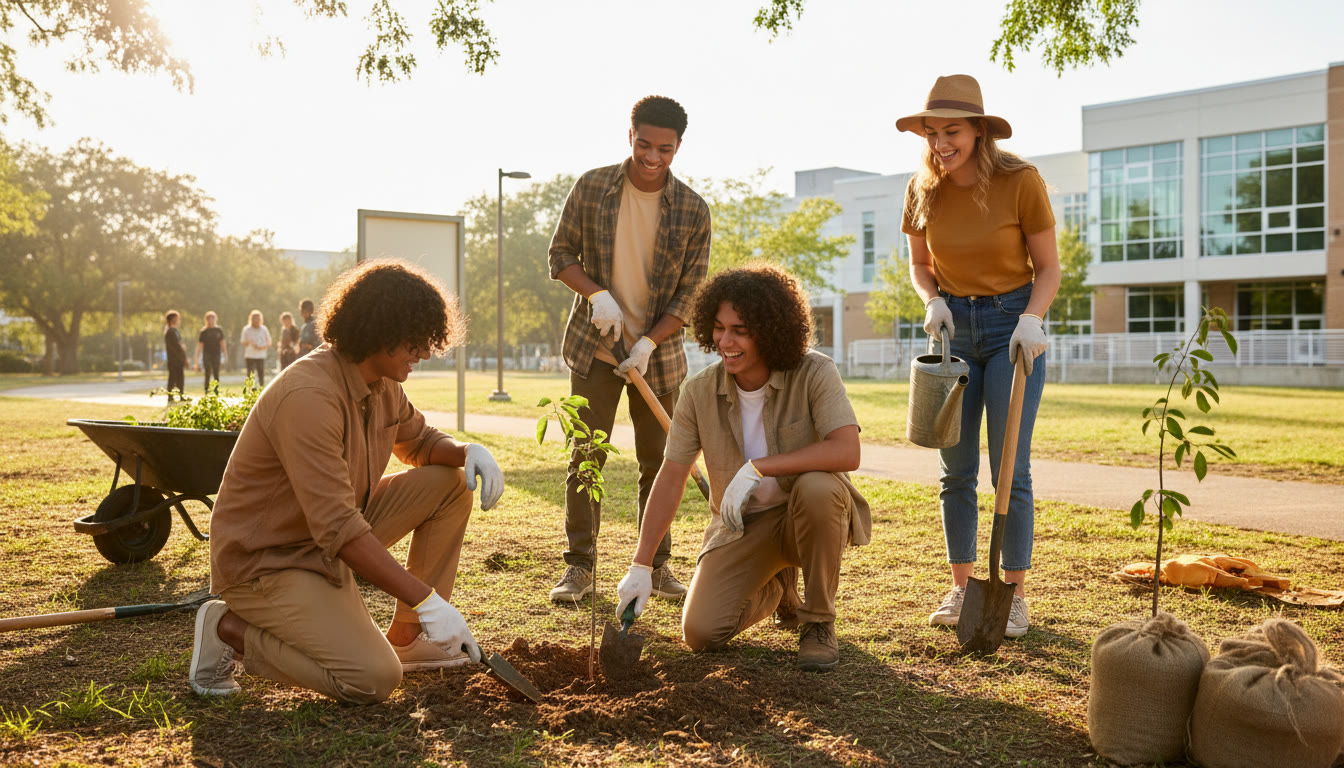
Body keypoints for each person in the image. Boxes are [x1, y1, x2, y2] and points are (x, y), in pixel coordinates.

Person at [189, 258, 506, 703]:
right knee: (372, 678)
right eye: (415, 340)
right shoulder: (309, 397)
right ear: (380, 331)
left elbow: (419, 441)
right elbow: (338, 526)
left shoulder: (382, 382)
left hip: (325, 539)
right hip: (270, 561)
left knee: (450, 483)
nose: (425, 352)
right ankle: (229, 630)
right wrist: (427, 599)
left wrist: (468, 451)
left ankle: (407, 638)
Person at [614, 265, 869, 671]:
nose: (724, 341)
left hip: (807, 516)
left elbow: (846, 451)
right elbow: (672, 474)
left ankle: (818, 622)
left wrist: (759, 468)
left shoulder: (814, 371)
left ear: (771, 329)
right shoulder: (698, 392)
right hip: (742, 527)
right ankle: (778, 586)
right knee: (700, 633)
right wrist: (641, 564)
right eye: (718, 328)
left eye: (740, 330)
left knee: (819, 488)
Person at [896, 74, 1059, 637]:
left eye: (953, 131)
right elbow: (920, 265)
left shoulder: (1020, 181)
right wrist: (933, 299)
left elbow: (1049, 268)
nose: (941, 143)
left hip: (1014, 325)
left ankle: (1012, 594)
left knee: (1009, 467)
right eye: (932, 132)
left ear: (979, 132)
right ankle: (963, 588)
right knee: (955, 468)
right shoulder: (922, 189)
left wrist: (1032, 318)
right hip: (954, 333)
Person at [546, 95, 711, 603]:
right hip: (594, 349)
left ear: (679, 146)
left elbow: (691, 292)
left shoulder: (692, 209)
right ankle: (579, 567)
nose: (653, 157)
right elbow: (559, 255)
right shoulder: (592, 187)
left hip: (656, 359)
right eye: (644, 144)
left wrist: (647, 342)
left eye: (665, 148)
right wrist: (596, 294)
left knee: (660, 462)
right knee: (586, 456)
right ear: (630, 136)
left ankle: (657, 565)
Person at [195, 311, 227, 394]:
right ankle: (206, 390)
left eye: (213, 319)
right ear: (206, 320)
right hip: (207, 354)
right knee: (207, 372)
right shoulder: (203, 332)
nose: (211, 321)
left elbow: (222, 343)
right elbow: (200, 346)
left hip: (216, 354)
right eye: (209, 319)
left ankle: (216, 390)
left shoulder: (219, 330)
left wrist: (224, 354)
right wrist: (197, 361)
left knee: (216, 373)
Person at [240, 310, 272, 387]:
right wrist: (249, 342)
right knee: (250, 374)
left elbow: (269, 342)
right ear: (251, 319)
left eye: (258, 318)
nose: (257, 320)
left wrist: (262, 347)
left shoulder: (264, 329)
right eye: (255, 318)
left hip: (261, 355)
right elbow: (242, 341)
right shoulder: (247, 329)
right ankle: (251, 390)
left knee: (261, 373)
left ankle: (261, 388)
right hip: (250, 355)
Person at [163, 310, 188, 401]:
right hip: (174, 359)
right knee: (173, 378)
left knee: (180, 378)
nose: (179, 320)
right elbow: (176, 346)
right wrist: (181, 354)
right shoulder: (170, 332)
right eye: (177, 318)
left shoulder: (175, 331)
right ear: (173, 319)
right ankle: (170, 396)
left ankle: (181, 394)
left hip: (178, 358)